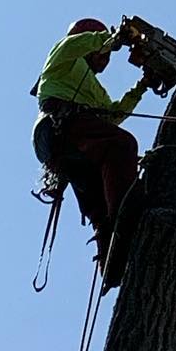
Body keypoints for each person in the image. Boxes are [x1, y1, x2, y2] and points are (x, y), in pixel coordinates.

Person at [32, 18, 150, 251]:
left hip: (69, 144)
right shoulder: (64, 56)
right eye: (102, 54)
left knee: (100, 205)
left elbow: (113, 116)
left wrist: (143, 85)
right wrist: (112, 38)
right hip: (60, 126)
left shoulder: (94, 89)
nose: (105, 60)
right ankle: (125, 219)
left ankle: (112, 258)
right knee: (122, 145)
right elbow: (78, 45)